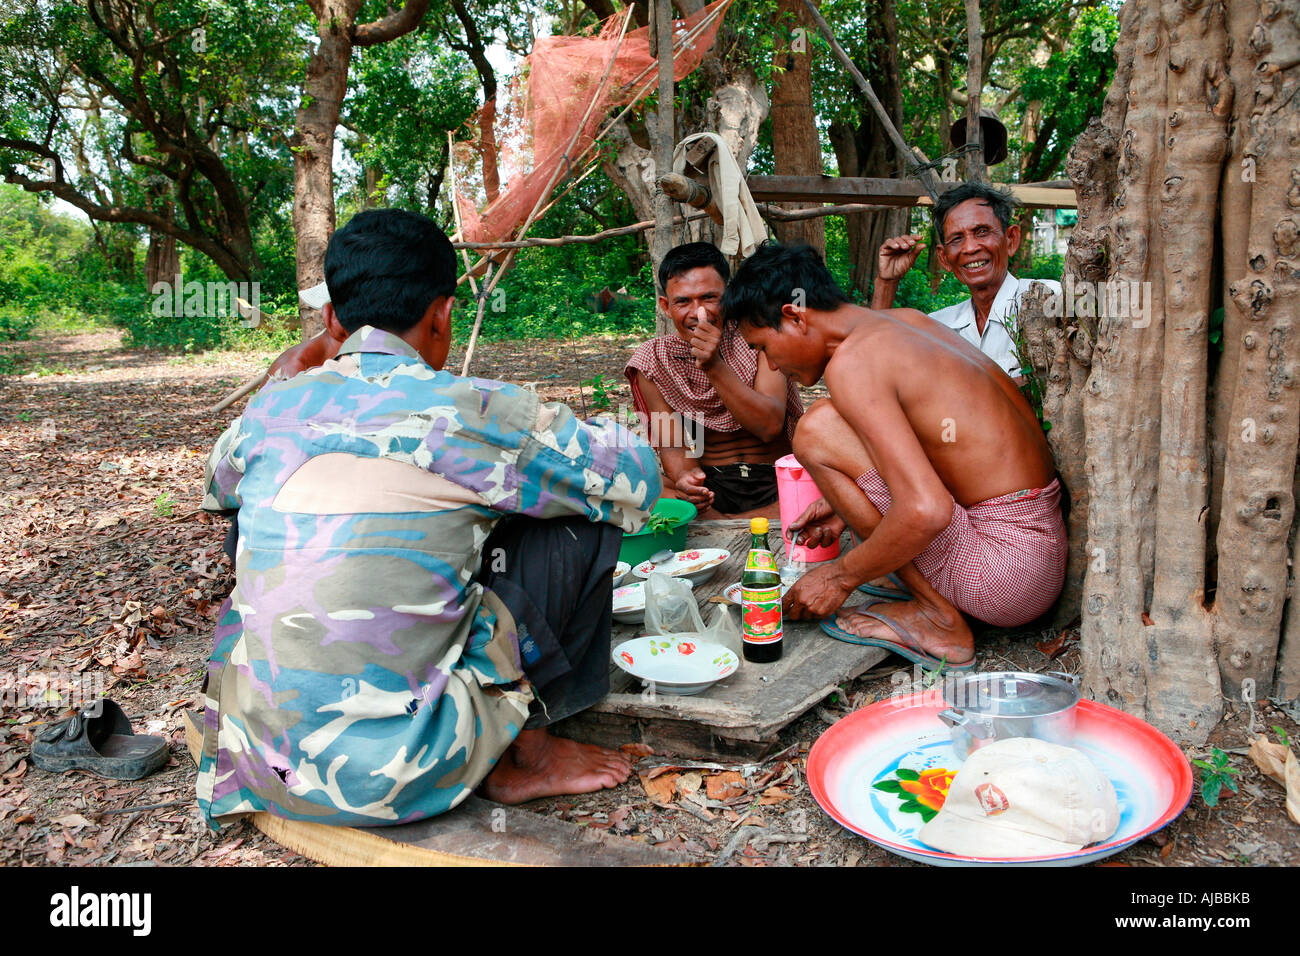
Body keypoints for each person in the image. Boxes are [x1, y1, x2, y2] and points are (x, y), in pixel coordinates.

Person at [197, 209, 661, 828]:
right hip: (412, 770)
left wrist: (297, 380)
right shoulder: (473, 410)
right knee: (578, 520)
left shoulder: (269, 411)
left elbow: (217, 486)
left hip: (259, 764)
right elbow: (638, 478)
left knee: (255, 515)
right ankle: (526, 751)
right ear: (442, 315)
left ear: (332, 319)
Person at [721, 241, 1066, 670]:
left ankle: (938, 618)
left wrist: (839, 575)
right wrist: (847, 505)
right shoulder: (908, 322)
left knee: (816, 428)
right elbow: (944, 447)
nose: (770, 365)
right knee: (829, 419)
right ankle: (913, 584)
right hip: (1038, 559)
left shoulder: (854, 361)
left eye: (762, 347)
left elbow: (926, 509)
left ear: (794, 317)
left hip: (1000, 575)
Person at [625, 242, 803, 518]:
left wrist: (713, 365)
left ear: (728, 296)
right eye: (683, 301)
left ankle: (730, 524)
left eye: (709, 298)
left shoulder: (759, 338)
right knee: (638, 484)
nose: (699, 313)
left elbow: (769, 426)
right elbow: (674, 446)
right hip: (713, 492)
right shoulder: (654, 360)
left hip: (777, 480)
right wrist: (688, 480)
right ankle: (733, 521)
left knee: (825, 473)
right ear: (665, 306)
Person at [870, 181, 1061, 382]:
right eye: (957, 239)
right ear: (944, 258)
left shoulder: (1050, 299)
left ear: (1011, 239)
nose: (970, 248)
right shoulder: (938, 326)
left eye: (982, 232)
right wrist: (887, 282)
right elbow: (877, 364)